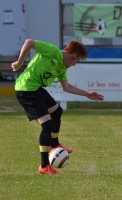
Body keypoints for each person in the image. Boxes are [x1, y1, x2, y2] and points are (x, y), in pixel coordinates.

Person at [12, 39, 104, 175]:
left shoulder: (61, 66)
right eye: (76, 61)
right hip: (26, 90)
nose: (74, 65)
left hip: (36, 89)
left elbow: (66, 87)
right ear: (73, 56)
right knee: (47, 126)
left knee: (57, 112)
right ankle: (44, 165)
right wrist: (20, 62)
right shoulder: (53, 51)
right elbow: (29, 42)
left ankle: (55, 144)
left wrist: (87, 94)